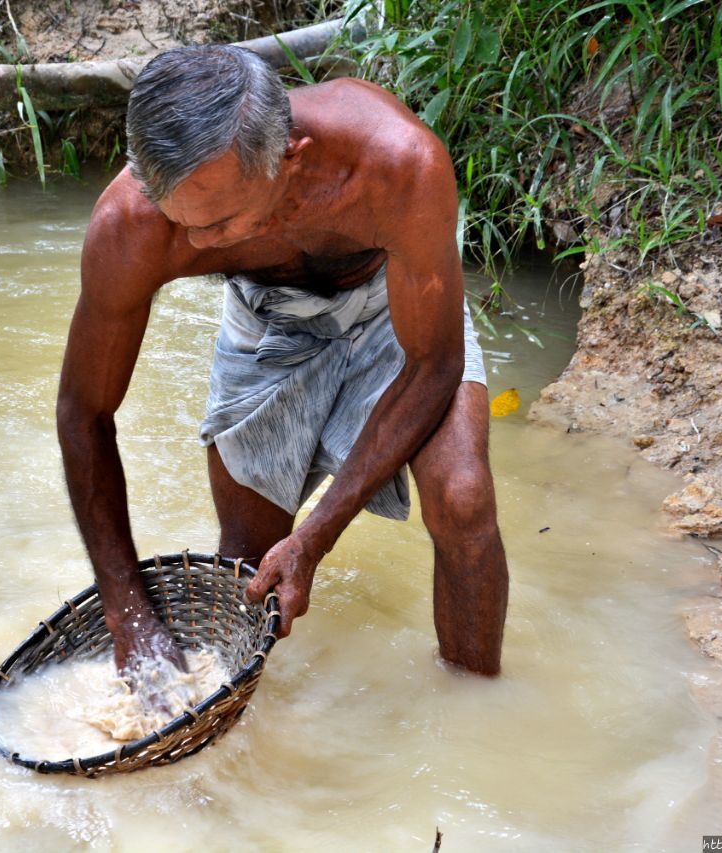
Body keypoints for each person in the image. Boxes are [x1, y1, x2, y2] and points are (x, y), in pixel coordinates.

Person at [56, 43, 508, 678]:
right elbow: (84, 412)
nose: (191, 245)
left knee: (463, 501)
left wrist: (317, 536)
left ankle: (475, 705)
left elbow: (433, 364)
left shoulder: (397, 164)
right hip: (267, 317)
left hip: (390, 303)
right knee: (248, 566)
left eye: (218, 223)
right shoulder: (132, 228)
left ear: (289, 160)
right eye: (177, 219)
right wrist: (129, 613)